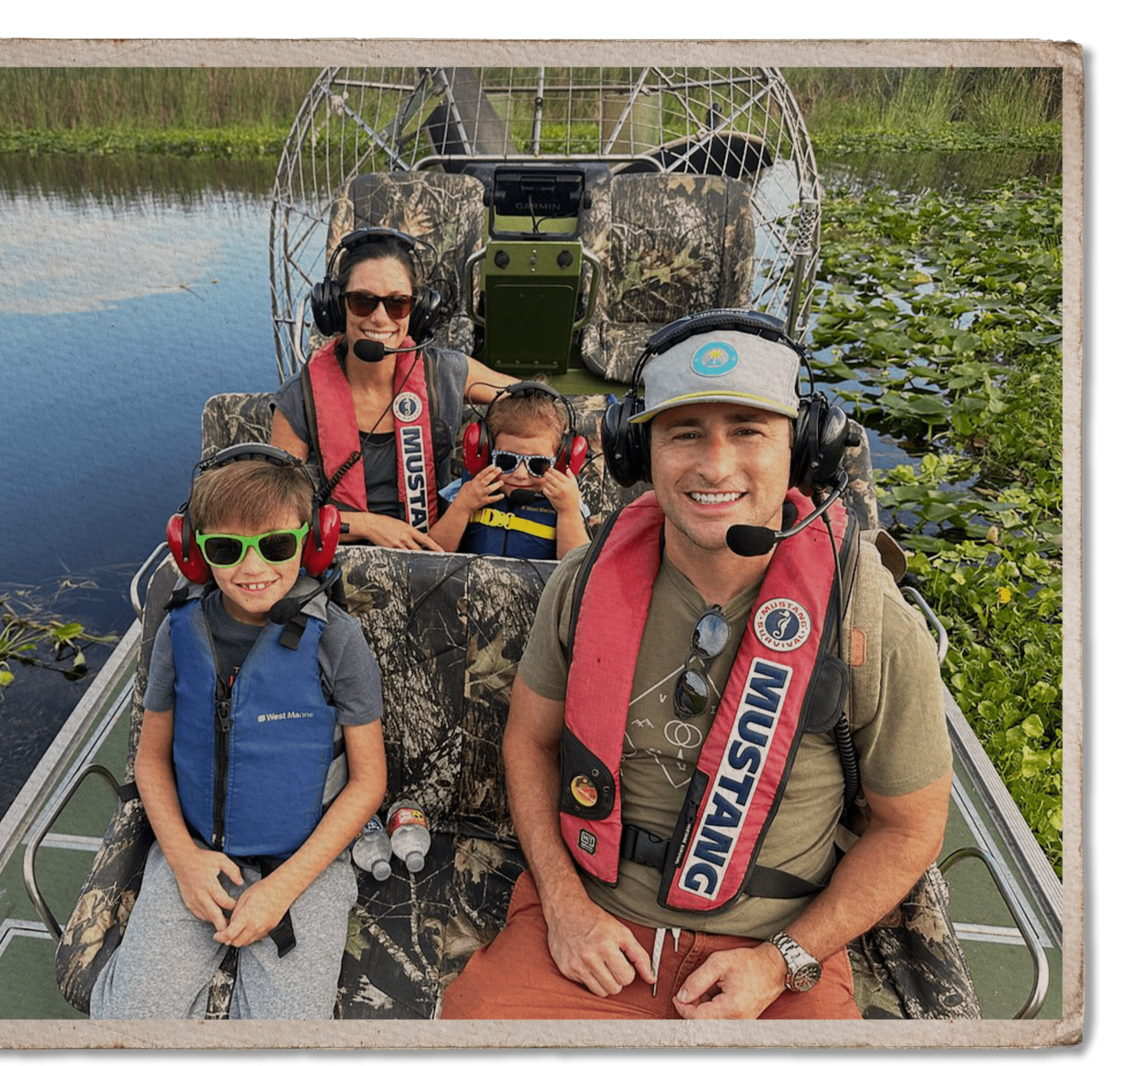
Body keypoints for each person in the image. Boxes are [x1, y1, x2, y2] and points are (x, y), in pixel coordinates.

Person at [440, 312, 952, 1020]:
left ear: (800, 449)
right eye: (684, 432)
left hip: (772, 947)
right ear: (637, 450)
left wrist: (784, 961)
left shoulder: (867, 611)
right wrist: (562, 905)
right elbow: (529, 742)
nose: (715, 465)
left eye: (748, 429)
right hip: (591, 924)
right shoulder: (581, 581)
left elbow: (911, 826)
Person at [90, 447, 386, 1019]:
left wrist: (282, 889)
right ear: (194, 553)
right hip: (197, 851)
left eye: (276, 546)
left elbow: (369, 781)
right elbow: (150, 761)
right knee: (125, 1022)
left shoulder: (339, 642)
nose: (253, 569)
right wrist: (181, 859)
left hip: (304, 865)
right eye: (226, 549)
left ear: (313, 541)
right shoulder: (178, 633)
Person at [270, 226, 514, 551]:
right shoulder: (298, 400)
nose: (380, 318)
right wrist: (369, 525)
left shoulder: (443, 372)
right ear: (335, 306)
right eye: (362, 301)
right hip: (336, 560)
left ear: (418, 311)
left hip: (433, 554)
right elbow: (279, 515)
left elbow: (527, 395)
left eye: (397, 304)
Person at [430, 382, 590, 558]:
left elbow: (575, 570)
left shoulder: (567, 505)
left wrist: (568, 511)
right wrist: (462, 507)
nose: (521, 475)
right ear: (486, 452)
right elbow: (433, 557)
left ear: (560, 460)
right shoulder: (465, 493)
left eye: (538, 464)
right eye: (506, 460)